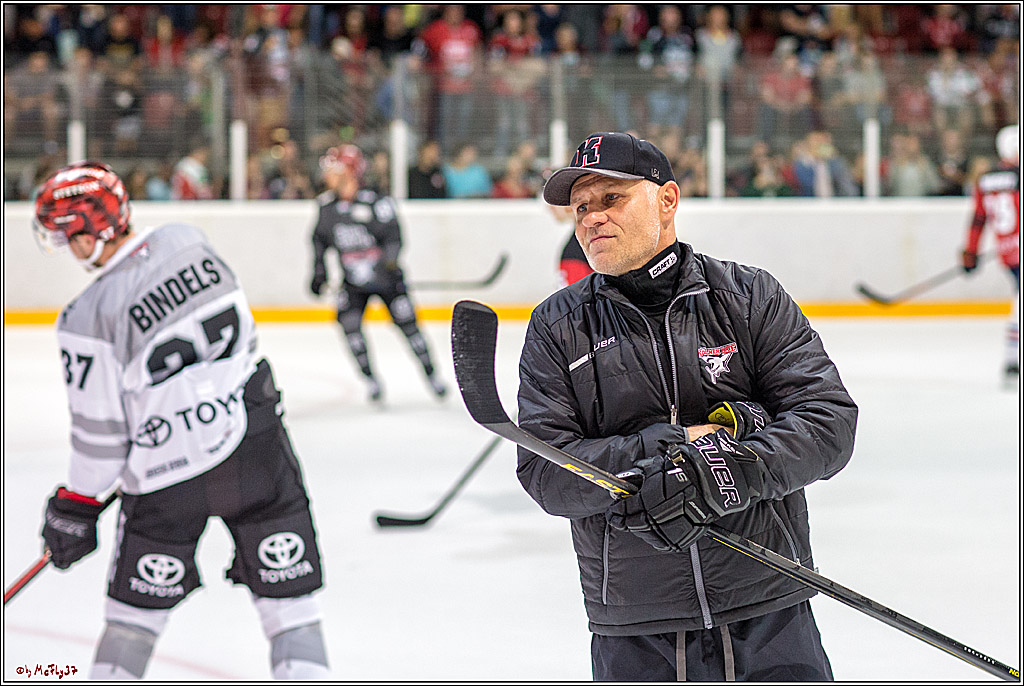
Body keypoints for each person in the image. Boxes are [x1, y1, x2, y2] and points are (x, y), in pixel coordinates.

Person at [519, 132, 857, 680]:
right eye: (581, 207)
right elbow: (544, 471)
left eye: (612, 199)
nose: (591, 219)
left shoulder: (748, 297)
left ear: (667, 200)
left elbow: (828, 423)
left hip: (767, 604)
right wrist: (655, 454)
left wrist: (729, 472)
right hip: (636, 624)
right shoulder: (558, 328)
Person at [32, 162, 329, 679]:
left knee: (132, 622)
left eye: (66, 234)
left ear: (89, 232)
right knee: (292, 611)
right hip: (256, 450)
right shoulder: (188, 240)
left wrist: (74, 508)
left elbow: (101, 444)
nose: (65, 246)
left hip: (167, 479)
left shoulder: (86, 317)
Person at [309, 145, 447, 403]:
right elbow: (318, 240)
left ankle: (432, 374)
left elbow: (394, 235)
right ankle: (370, 379)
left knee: (409, 327)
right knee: (349, 326)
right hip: (353, 284)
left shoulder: (377, 202)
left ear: (349, 171)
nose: (327, 174)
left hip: (387, 282)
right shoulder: (327, 207)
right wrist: (319, 271)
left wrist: (389, 260)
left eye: (333, 168)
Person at [961, 125, 1020, 385]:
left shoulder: (985, 180)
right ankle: (1011, 361)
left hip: (1010, 254)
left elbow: (978, 219)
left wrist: (971, 251)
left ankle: (1012, 361)